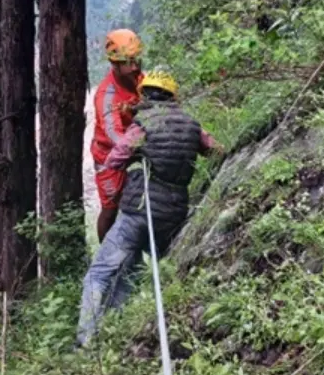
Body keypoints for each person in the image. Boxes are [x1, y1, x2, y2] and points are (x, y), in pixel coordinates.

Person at [77, 69, 224, 346]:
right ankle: (133, 327)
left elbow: (115, 159)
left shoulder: (143, 124)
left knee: (99, 274)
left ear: (144, 94)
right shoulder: (192, 125)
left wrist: (138, 158)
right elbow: (216, 150)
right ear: (172, 96)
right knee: (146, 271)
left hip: (138, 214)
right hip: (173, 216)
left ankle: (85, 340)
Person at [91, 29, 145, 242]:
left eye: (136, 60)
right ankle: (105, 248)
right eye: (128, 62)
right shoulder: (107, 96)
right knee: (110, 207)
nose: (135, 67)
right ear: (115, 64)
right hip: (107, 155)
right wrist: (142, 144)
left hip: (133, 142)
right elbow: (114, 134)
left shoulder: (139, 78)